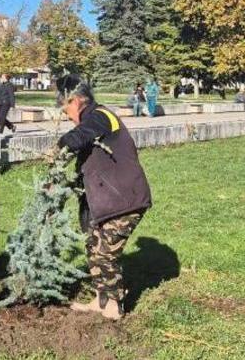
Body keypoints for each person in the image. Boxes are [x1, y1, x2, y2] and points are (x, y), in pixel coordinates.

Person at [55, 74, 152, 320]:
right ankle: (101, 300)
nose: (65, 114)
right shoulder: (91, 122)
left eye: (65, 107)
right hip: (108, 200)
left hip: (125, 200)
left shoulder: (101, 116)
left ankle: (114, 307)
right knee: (93, 247)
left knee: (106, 253)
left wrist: (59, 146)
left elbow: (79, 137)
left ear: (75, 100)